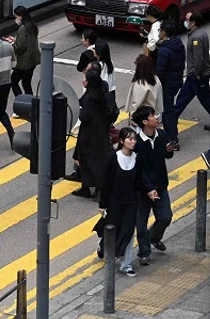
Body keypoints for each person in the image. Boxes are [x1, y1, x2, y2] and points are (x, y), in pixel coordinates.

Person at [132, 105, 175, 265]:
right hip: (142, 189)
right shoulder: (136, 144)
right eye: (152, 116)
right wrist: (149, 188)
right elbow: (139, 170)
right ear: (144, 122)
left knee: (165, 217)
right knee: (141, 223)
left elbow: (165, 156)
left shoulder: (162, 135)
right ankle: (144, 252)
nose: (157, 117)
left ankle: (154, 238)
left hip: (161, 184)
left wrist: (169, 150)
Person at [96, 127, 140, 276]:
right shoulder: (113, 157)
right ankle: (103, 245)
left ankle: (126, 264)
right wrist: (102, 204)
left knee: (128, 231)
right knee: (113, 230)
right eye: (129, 139)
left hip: (131, 202)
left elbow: (140, 180)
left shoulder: (137, 158)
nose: (133, 142)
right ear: (122, 141)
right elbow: (106, 182)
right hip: (115, 202)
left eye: (134, 139)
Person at [169, 11, 210, 135]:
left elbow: (198, 59)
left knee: (203, 98)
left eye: (187, 20)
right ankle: (173, 116)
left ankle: (172, 117)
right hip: (197, 74)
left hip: (198, 75)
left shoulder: (196, 38)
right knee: (187, 95)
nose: (185, 21)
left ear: (193, 23)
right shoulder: (199, 33)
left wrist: (196, 74)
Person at [74, 68, 112, 198]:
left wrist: (79, 111)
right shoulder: (100, 95)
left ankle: (89, 187)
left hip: (88, 135)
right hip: (101, 133)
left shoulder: (90, 99)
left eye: (85, 79)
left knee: (87, 161)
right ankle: (96, 188)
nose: (83, 81)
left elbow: (84, 116)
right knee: (98, 161)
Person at [154, 21, 185, 146]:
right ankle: (170, 136)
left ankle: (172, 139)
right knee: (168, 109)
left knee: (168, 111)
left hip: (167, 84)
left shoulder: (164, 50)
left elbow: (160, 71)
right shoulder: (178, 43)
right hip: (176, 81)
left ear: (163, 33)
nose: (159, 33)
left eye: (160, 30)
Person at [7, 5, 40, 96]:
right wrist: (16, 40)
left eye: (16, 16)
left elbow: (20, 46)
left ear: (20, 16)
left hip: (24, 62)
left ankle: (21, 101)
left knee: (13, 81)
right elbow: (28, 41)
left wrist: (13, 44)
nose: (16, 19)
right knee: (27, 84)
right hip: (32, 60)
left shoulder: (22, 28)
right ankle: (31, 105)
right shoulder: (32, 26)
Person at [125, 55, 161, 123]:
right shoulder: (155, 79)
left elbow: (136, 104)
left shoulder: (140, 83)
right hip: (153, 115)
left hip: (142, 118)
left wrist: (132, 118)